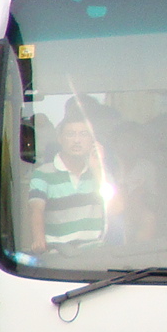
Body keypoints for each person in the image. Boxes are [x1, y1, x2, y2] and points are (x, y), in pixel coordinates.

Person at [26, 103, 109, 254]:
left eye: (84, 134)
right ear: (60, 138)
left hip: (96, 254)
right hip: (58, 255)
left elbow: (116, 208)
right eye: (71, 134)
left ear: (93, 140)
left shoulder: (99, 172)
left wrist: (97, 169)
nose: (77, 140)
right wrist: (39, 240)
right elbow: (36, 209)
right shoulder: (43, 173)